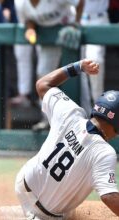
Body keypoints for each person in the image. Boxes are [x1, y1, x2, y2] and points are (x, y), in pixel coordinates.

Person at [15, 59, 119, 219]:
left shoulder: (70, 113)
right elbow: (109, 196)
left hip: (23, 182)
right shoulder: (105, 152)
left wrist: (78, 67)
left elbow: (43, 84)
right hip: (45, 214)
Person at [13, 0, 84, 130]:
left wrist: (75, 24)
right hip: (48, 36)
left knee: (81, 76)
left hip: (68, 29)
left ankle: (84, 121)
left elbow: (79, 2)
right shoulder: (20, 3)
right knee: (43, 74)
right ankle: (47, 119)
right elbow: (29, 18)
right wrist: (30, 29)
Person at [80, 0, 110, 114]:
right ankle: (85, 111)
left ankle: (99, 109)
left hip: (98, 18)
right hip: (77, 19)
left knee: (94, 60)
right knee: (78, 68)